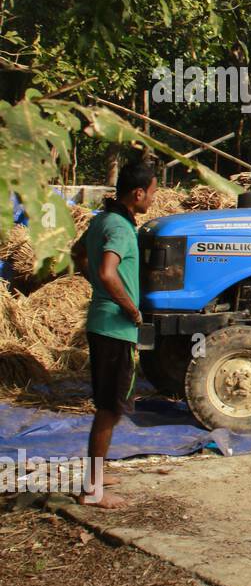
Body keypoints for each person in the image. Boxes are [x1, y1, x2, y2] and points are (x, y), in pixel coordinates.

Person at [70, 158, 157, 508]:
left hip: (102, 322)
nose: (152, 199)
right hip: (114, 327)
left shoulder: (102, 219)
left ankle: (99, 472)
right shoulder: (120, 227)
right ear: (137, 193)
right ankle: (92, 489)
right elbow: (107, 271)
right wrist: (130, 307)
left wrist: (102, 290)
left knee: (112, 404)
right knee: (109, 408)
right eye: (152, 193)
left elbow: (78, 254)